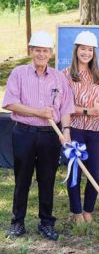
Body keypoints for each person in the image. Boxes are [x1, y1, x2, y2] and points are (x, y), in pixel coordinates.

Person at [3, 31, 74, 240]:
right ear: (30, 51)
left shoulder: (59, 78)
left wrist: (66, 130)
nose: (41, 54)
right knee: (22, 178)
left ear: (51, 53)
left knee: (47, 179)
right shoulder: (19, 73)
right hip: (24, 133)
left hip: (50, 135)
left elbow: (67, 107)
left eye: (45, 51)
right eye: (37, 50)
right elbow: (9, 102)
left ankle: (46, 222)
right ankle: (17, 222)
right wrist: (37, 112)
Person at [62, 31, 99, 224]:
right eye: (83, 49)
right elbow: (64, 106)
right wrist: (86, 111)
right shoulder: (66, 75)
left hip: (96, 130)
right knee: (75, 170)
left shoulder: (98, 75)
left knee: (95, 171)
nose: (86, 53)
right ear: (76, 50)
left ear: (94, 52)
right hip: (75, 128)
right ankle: (76, 212)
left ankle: (88, 210)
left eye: (89, 50)